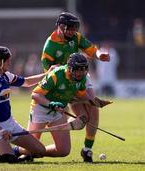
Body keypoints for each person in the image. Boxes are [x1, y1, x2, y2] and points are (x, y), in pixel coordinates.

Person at [41, 12, 110, 162]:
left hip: (82, 77)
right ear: (60, 26)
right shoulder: (50, 45)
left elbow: (91, 48)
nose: (73, 31)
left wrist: (99, 55)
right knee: (82, 119)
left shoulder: (75, 37)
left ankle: (87, 149)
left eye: (74, 28)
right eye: (70, 28)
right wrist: (54, 69)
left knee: (93, 107)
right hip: (65, 84)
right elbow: (47, 70)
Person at [0, 46, 50, 163]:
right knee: (8, 160)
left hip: (10, 124)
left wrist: (47, 75)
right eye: (7, 60)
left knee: (40, 151)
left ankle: (12, 151)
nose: (10, 62)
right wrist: (1, 130)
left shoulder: (5, 75)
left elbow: (26, 82)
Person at [28, 53, 111, 158]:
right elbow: (35, 94)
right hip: (40, 109)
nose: (81, 73)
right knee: (30, 147)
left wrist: (95, 102)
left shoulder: (81, 80)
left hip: (58, 112)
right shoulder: (56, 75)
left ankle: (35, 154)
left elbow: (81, 96)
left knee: (63, 151)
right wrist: (51, 104)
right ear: (70, 69)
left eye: (83, 70)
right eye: (78, 70)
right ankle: (17, 151)